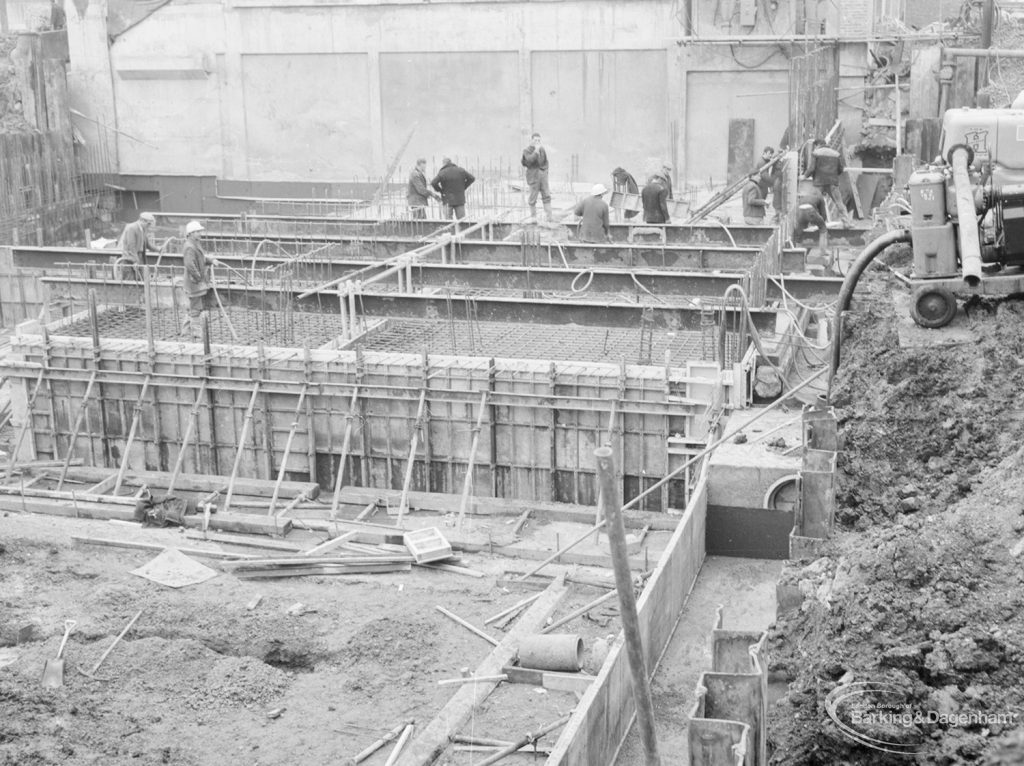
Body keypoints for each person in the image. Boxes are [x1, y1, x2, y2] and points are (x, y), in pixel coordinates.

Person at [805, 138, 853, 227]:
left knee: (814, 202)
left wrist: (805, 176)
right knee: (839, 203)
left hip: (819, 182)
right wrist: (833, 175)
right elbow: (840, 169)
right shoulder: (836, 154)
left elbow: (811, 168)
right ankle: (847, 223)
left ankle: (813, 223)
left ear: (817, 145)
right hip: (832, 182)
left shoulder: (816, 153)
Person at [182, 220, 212, 339]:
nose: (200, 233)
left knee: (193, 306)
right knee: (196, 307)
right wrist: (199, 278)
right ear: (191, 233)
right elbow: (190, 265)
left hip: (195, 281)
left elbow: (201, 258)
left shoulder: (195, 243)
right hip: (194, 282)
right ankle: (196, 332)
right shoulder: (189, 246)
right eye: (198, 232)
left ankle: (185, 331)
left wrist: (211, 261)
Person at [792, 178, 830, 258]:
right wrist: (819, 223)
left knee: (799, 234)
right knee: (823, 229)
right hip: (810, 211)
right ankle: (823, 251)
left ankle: (798, 255)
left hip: (799, 210)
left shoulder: (808, 193)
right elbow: (824, 216)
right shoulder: (820, 196)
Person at [114, 211, 158, 280]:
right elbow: (131, 246)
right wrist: (136, 261)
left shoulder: (143, 229)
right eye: (148, 223)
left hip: (138, 258)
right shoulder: (132, 228)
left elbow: (147, 244)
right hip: (129, 259)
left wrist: (158, 249)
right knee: (130, 282)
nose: (149, 226)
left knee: (142, 281)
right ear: (142, 221)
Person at [521, 132, 552, 222]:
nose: (537, 142)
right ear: (531, 140)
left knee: (546, 196)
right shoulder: (526, 151)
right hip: (533, 177)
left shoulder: (542, 149)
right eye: (535, 140)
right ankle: (533, 218)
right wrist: (536, 151)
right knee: (533, 198)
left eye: (538, 140)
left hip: (542, 176)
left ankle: (549, 218)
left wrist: (545, 172)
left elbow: (546, 161)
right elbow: (529, 160)